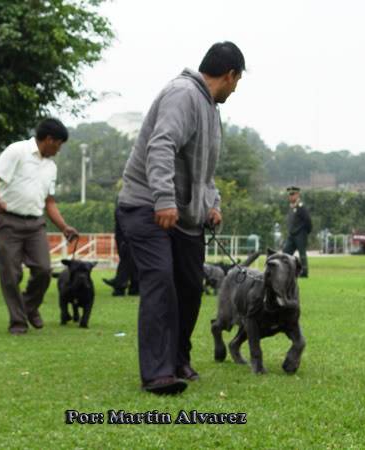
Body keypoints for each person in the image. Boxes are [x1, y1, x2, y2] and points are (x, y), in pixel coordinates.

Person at [116, 41, 245, 395]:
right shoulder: (183, 94)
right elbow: (161, 146)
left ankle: (178, 358)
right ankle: (157, 374)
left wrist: (212, 203)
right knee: (160, 279)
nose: (235, 90)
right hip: (146, 205)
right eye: (237, 82)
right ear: (231, 75)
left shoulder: (210, 109)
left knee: (190, 286)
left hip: (184, 215)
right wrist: (163, 199)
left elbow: (204, 170)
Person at [0, 118, 79, 335]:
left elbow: (49, 202)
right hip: (8, 221)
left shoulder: (51, 167)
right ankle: (18, 322)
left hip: (36, 224)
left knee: (44, 270)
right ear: (49, 140)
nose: (59, 150)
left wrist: (64, 227)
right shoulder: (17, 151)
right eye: (58, 145)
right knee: (11, 274)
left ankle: (28, 307)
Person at [103, 204, 139, 296]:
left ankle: (120, 284)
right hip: (126, 233)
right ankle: (133, 286)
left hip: (127, 234)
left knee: (127, 258)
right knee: (130, 259)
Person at [282, 186, 312, 277]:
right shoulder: (291, 207)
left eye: (292, 194)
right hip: (292, 234)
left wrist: (306, 231)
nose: (291, 197)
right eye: (290, 195)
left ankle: (304, 272)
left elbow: (308, 220)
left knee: (302, 253)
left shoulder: (301, 207)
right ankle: (284, 270)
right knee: (286, 253)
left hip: (300, 234)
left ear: (297, 194)